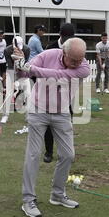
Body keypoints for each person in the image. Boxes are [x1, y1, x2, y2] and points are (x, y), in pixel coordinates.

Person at [14, 37, 90, 217]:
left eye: (80, 59)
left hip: (62, 112)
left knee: (68, 154)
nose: (77, 64)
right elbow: (23, 75)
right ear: (63, 52)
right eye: (74, 60)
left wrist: (31, 68)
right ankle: (28, 200)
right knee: (33, 155)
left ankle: (57, 194)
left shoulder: (83, 67)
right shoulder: (47, 55)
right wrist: (19, 64)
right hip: (38, 110)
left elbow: (57, 76)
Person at [43, 23, 75, 163]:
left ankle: (66, 152)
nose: (68, 40)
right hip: (49, 92)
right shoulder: (50, 48)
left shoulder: (75, 48)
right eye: (66, 37)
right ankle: (49, 152)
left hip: (66, 93)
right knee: (49, 125)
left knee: (66, 124)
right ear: (60, 35)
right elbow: (40, 67)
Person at [1, 36, 31, 124]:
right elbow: (10, 67)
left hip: (23, 74)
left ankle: (28, 116)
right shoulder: (7, 50)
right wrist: (13, 81)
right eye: (17, 48)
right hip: (11, 73)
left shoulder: (26, 49)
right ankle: (5, 115)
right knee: (8, 95)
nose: (19, 49)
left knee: (28, 94)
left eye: (20, 48)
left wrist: (19, 61)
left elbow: (25, 64)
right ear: (13, 45)